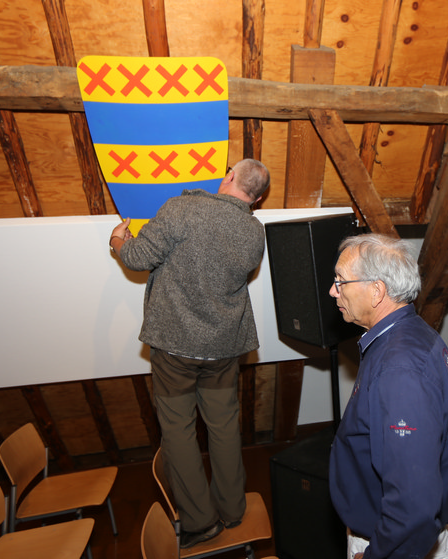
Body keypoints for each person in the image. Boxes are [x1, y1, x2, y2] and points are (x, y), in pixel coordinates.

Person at [109, 159, 270, 549]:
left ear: (229, 177)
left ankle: (200, 522)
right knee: (224, 426)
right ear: (257, 197)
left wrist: (117, 241)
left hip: (175, 349)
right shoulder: (255, 231)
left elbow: (137, 258)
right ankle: (232, 509)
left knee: (178, 430)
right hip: (224, 349)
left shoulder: (181, 209)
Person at [328, 233, 448, 559]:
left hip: (387, 543)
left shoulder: (400, 368)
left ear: (376, 290)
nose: (333, 290)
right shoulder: (411, 334)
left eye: (341, 281)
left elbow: (413, 504)